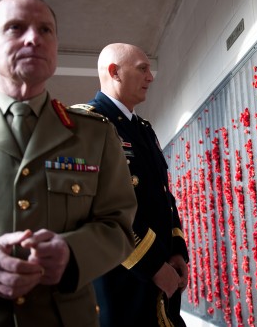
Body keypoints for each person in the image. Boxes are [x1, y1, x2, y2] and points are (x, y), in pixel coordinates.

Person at [0, 0, 137, 326]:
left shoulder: (95, 134)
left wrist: (72, 253)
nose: (33, 38)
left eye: (45, 29)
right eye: (15, 28)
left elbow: (119, 226)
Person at [78, 43, 188, 327]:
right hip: (123, 280)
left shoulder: (143, 129)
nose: (151, 77)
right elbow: (95, 208)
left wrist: (177, 250)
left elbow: (165, 197)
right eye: (142, 69)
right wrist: (152, 266)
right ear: (114, 72)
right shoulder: (87, 124)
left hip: (164, 274)